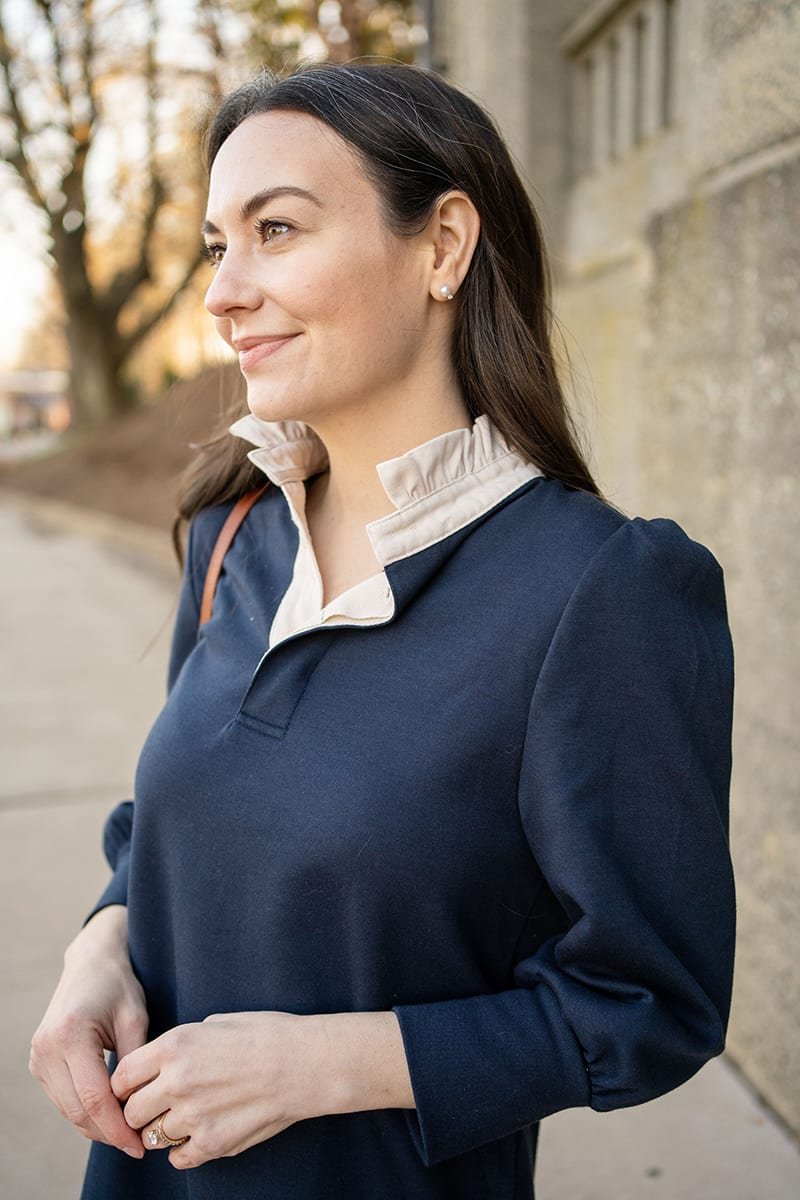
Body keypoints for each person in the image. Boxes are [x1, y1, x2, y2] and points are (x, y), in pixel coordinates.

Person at [30, 62, 736, 1200]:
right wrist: (98, 945)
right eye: (218, 245)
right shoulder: (232, 532)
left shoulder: (600, 591)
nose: (222, 291)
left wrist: (324, 1065)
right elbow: (168, 819)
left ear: (443, 246)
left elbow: (648, 1004)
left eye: (276, 229)